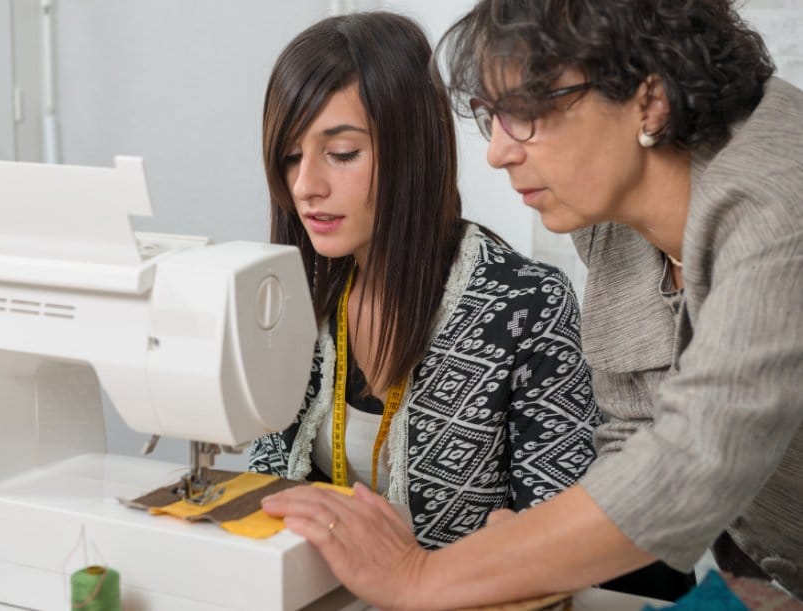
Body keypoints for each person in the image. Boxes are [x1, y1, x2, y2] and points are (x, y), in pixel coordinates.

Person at [260, 0, 803, 608]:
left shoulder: (777, 208)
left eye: (523, 115)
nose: (496, 152)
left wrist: (419, 577)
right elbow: (633, 435)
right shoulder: (613, 221)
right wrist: (523, 551)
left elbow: (694, 463)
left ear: (649, 101)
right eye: (491, 116)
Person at [249, 11, 600, 551]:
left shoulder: (527, 307)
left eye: (341, 154)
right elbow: (266, 475)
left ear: (414, 148)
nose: (304, 185)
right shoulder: (300, 296)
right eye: (290, 156)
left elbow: (559, 539)